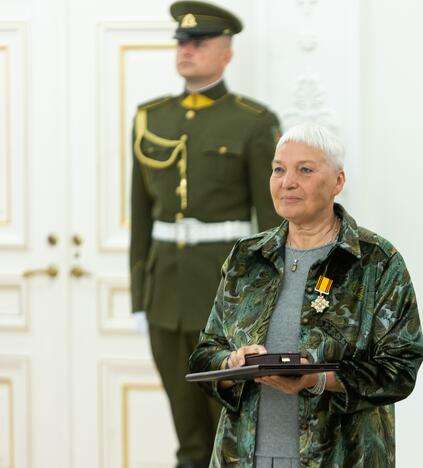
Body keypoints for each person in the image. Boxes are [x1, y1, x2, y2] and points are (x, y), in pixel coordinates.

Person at [188, 122, 423, 467]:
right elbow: (205, 352)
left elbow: (400, 369)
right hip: (244, 455)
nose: (288, 182)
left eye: (305, 170)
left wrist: (317, 380)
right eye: (279, 170)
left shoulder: (376, 260)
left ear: (338, 182)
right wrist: (231, 364)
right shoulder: (247, 257)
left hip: (343, 456)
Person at [129, 2, 282, 466]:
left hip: (225, 298)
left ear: (226, 52)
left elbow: (271, 224)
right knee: (187, 433)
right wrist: (140, 297)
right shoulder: (149, 117)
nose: (187, 50)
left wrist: (266, 304)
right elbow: (140, 216)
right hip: (165, 300)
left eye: (199, 42)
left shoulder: (253, 122)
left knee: (229, 431)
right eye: (182, 42)